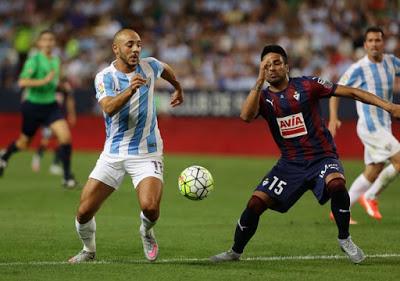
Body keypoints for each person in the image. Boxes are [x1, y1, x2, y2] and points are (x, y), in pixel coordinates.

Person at [210, 45, 400, 264]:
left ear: (287, 66)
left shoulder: (308, 85)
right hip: (290, 165)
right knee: (255, 203)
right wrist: (258, 81)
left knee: (336, 184)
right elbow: (245, 116)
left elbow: (352, 91)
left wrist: (389, 106)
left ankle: (344, 238)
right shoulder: (262, 98)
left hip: (322, 157)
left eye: (277, 63)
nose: (272, 68)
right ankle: (235, 252)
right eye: (266, 65)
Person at [68, 28, 184, 263]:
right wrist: (131, 89)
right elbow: (109, 107)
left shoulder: (149, 66)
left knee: (150, 208)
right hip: (114, 153)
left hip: (147, 152)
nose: (136, 50)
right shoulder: (104, 77)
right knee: (83, 213)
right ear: (116, 48)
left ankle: (146, 231)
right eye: (130, 45)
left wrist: (178, 87)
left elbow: (165, 69)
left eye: (139, 44)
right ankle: (88, 250)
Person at [329, 26, 400, 221]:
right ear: (365, 45)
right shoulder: (358, 69)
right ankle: (370, 196)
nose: (374, 44)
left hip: (384, 125)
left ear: (383, 43)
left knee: (374, 170)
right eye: (370, 41)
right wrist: (334, 117)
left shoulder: (391, 62)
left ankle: (339, 211)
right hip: (370, 126)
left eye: (378, 40)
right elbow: (335, 91)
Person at [0, 30, 77, 188]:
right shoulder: (34, 60)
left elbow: (58, 80)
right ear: (39, 43)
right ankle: (5, 156)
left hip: (51, 106)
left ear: (54, 43)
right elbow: (22, 82)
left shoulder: (56, 60)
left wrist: (62, 85)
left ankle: (67, 177)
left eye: (51, 39)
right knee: (23, 143)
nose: (48, 42)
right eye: (45, 40)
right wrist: (43, 81)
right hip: (33, 106)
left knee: (65, 137)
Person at [31, 78, 77, 175]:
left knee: (61, 141)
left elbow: (70, 101)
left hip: (59, 117)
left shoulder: (66, 88)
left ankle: (55, 164)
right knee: (45, 141)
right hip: (48, 117)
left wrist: (71, 114)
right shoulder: (50, 85)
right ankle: (38, 156)